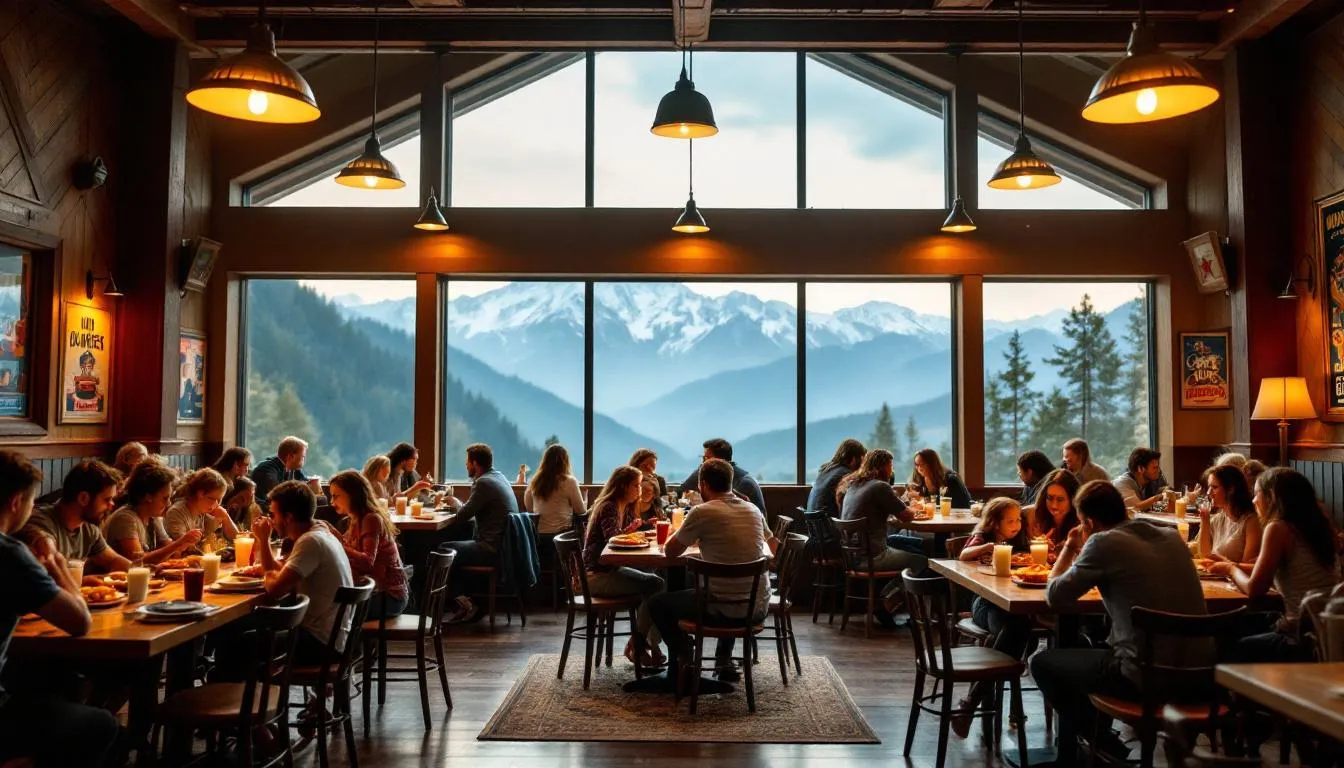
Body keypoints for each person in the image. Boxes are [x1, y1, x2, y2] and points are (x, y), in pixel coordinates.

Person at [1032, 481, 1209, 765]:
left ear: (1088, 522)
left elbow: (1055, 596)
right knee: (1100, 646)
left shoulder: (1103, 542)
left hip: (1144, 679)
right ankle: (1100, 744)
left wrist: (1070, 546)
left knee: (1042, 663)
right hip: (1200, 677)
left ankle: (1102, 744)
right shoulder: (1171, 537)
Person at [0, 450, 119, 767]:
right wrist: (55, 562)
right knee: (101, 723)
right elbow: (80, 622)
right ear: (15, 501)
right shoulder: (10, 555)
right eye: (31, 500)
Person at [651, 458, 775, 682]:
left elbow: (670, 552)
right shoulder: (753, 509)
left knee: (658, 604)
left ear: (704, 485)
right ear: (730, 483)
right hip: (756, 607)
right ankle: (722, 662)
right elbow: (770, 544)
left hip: (719, 609)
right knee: (730, 587)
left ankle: (684, 658)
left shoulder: (702, 512)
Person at [1208, 468, 1339, 662]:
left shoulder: (1278, 528)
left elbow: (1254, 589)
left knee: (1226, 642)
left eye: (1256, 494)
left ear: (1271, 497)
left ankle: (1241, 689)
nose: (1253, 501)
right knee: (1231, 623)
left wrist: (1230, 569)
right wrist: (1231, 564)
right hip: (1327, 629)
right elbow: (1285, 569)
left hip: (1300, 637)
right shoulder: (1319, 526)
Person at [954, 497, 1033, 736]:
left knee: (1015, 630)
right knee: (1019, 631)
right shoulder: (984, 538)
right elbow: (963, 555)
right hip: (985, 604)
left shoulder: (1020, 541)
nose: (1016, 524)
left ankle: (970, 704)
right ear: (995, 523)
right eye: (1010, 520)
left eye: (1018, 519)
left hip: (1013, 605)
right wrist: (988, 548)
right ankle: (1013, 710)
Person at [252, 481, 354, 661]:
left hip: (321, 642)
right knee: (242, 637)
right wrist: (264, 544)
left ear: (289, 518)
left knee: (231, 647)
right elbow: (284, 571)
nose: (272, 521)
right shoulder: (320, 531)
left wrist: (264, 541)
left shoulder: (311, 541)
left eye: (274, 514)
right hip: (332, 636)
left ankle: (235, 688)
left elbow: (275, 590)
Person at [582, 465, 666, 667]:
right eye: (635, 485)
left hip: (610, 570)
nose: (639, 490)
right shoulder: (609, 506)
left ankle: (646, 645)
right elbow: (613, 540)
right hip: (595, 576)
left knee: (654, 581)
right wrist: (633, 532)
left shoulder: (624, 507)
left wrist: (640, 528)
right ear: (622, 486)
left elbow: (621, 536)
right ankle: (640, 645)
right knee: (654, 584)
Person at [839, 449, 927, 623]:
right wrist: (916, 508)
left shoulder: (854, 485)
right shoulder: (879, 486)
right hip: (873, 556)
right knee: (922, 562)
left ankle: (887, 599)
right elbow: (906, 516)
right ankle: (887, 602)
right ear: (882, 467)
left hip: (853, 556)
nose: (892, 470)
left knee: (912, 545)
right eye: (890, 466)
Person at [441, 443, 517, 622]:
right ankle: (469, 602)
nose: (466, 465)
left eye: (467, 462)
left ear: (475, 463)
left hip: (490, 549)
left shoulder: (483, 483)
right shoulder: (499, 477)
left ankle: (462, 603)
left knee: (444, 550)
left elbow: (462, 515)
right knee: (457, 547)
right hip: (503, 547)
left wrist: (455, 503)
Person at [20, 461, 130, 574]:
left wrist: (140, 573)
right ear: (83, 498)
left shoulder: (88, 528)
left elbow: (114, 560)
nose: (112, 505)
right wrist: (84, 582)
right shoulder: (41, 522)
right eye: (107, 499)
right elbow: (50, 574)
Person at [329, 470, 408, 621]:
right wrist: (336, 537)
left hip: (389, 597)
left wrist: (338, 543)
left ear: (352, 494)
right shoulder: (353, 520)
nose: (332, 502)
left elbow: (367, 561)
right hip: (374, 592)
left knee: (332, 611)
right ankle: (354, 644)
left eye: (336, 496)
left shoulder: (370, 519)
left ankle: (348, 644)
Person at [103, 462, 202, 565]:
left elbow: (172, 552)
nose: (169, 503)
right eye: (165, 498)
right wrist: (179, 543)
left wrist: (185, 543)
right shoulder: (125, 518)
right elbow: (137, 561)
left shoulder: (153, 518)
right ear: (148, 497)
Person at [677, 438, 767, 517]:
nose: (703, 463)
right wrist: (702, 471)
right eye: (703, 459)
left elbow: (731, 514)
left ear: (720, 462)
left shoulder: (744, 483)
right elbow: (682, 490)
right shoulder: (713, 477)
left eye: (707, 459)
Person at [1196, 464, 1262, 567]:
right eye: (1209, 487)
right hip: (1219, 579)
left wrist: (1225, 564)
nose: (1208, 493)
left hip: (1236, 581)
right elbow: (1204, 555)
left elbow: (1249, 566)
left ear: (1231, 489)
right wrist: (1205, 521)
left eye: (1214, 487)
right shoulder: (1218, 518)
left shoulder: (1251, 521)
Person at [163, 468, 238, 553]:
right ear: (200, 494)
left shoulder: (204, 512)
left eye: (219, 500)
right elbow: (185, 549)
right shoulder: (177, 513)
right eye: (213, 499)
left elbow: (237, 538)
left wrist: (226, 517)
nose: (216, 504)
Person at [523, 444, 587, 544]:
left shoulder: (535, 481)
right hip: (562, 538)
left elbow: (530, 508)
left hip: (539, 537)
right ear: (565, 462)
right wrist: (585, 497)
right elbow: (581, 511)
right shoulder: (569, 481)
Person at [807, 438, 865, 518]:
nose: (862, 465)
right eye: (861, 460)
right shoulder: (846, 475)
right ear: (854, 459)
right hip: (829, 524)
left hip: (815, 525)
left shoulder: (825, 469)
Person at [251, 436, 318, 503]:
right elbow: (278, 498)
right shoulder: (266, 471)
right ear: (291, 457)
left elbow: (303, 482)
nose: (304, 460)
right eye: (303, 457)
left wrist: (311, 485)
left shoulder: (293, 468)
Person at [1031, 468, 1081, 553]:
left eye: (1060, 499)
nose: (1054, 505)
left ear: (1073, 500)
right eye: (1049, 498)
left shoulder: (1083, 524)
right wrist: (1039, 546)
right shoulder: (1036, 517)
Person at [908, 448, 972, 509]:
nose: (919, 468)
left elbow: (949, 504)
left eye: (922, 464)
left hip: (960, 516)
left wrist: (921, 499)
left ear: (932, 464)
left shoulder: (951, 480)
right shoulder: (919, 480)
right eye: (917, 465)